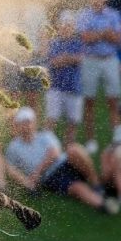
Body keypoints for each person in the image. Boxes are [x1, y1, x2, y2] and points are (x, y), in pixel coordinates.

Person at [5, 107, 117, 213]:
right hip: (51, 176)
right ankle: (103, 204)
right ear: (18, 125)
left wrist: (36, 173)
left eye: (29, 122)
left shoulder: (45, 135)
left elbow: (55, 153)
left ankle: (96, 185)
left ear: (34, 122)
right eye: (23, 123)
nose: (27, 126)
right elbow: (9, 168)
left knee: (74, 149)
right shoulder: (13, 147)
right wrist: (27, 182)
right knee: (76, 187)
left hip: (64, 162)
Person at [77, 0, 121, 154]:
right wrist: (105, 33)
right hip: (90, 60)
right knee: (89, 102)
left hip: (110, 59)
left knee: (114, 102)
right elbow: (84, 38)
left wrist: (97, 34)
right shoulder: (83, 15)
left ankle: (117, 140)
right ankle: (90, 141)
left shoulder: (114, 14)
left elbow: (118, 39)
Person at [44, 10, 83, 144]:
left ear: (73, 27)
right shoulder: (54, 43)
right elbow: (54, 62)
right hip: (55, 88)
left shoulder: (78, 42)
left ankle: (69, 151)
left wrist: (65, 58)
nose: (66, 27)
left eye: (69, 25)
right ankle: (48, 147)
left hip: (73, 88)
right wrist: (69, 59)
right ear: (59, 26)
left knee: (72, 123)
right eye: (64, 25)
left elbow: (81, 59)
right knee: (51, 120)